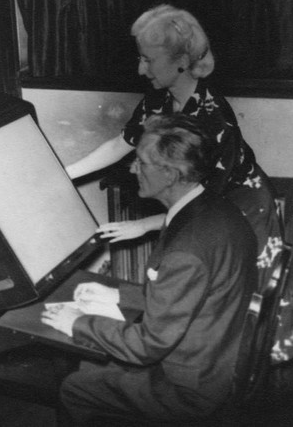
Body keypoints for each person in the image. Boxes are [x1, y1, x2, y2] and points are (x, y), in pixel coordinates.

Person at [66, 4, 293, 363]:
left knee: (232, 321)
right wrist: (64, 174)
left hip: (238, 209)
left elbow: (204, 207)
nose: (141, 70)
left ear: (181, 62)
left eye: (148, 60)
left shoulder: (213, 116)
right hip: (202, 207)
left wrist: (143, 224)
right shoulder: (159, 97)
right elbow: (120, 143)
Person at [42, 114, 258, 425]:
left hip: (190, 388)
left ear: (170, 175)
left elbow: (147, 346)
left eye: (141, 162)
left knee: (76, 387)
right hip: (219, 353)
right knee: (96, 365)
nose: (132, 168)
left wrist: (78, 323)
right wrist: (118, 294)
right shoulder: (214, 209)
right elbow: (186, 294)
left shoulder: (186, 249)